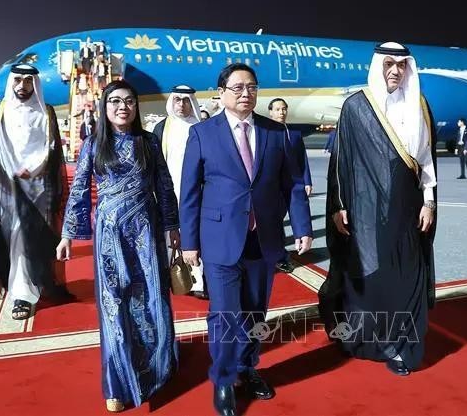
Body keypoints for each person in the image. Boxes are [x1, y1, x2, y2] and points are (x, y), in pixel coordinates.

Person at [179, 63, 313, 416]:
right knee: (225, 313)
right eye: (237, 87)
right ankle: (223, 379)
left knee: (255, 311)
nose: (245, 93)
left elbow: (293, 185)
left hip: (264, 239)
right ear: (221, 92)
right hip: (220, 238)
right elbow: (190, 192)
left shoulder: (276, 133)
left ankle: (246, 367)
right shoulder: (203, 133)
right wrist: (189, 242)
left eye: (251, 87)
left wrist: (302, 228)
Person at [56, 80, 180, 412]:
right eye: (115, 101)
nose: (122, 106)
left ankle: (157, 367)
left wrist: (172, 226)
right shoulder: (94, 145)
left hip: (147, 233)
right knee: (114, 305)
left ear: (137, 107)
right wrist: (69, 234)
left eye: (129, 101)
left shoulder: (149, 142)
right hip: (110, 238)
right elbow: (80, 190)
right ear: (104, 106)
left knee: (151, 296)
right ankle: (117, 383)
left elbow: (164, 187)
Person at [318, 42, 437, 377]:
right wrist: (339, 206)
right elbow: (342, 162)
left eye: (401, 65)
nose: (395, 71)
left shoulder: (420, 106)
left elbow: (426, 161)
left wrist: (429, 201)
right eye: (388, 64)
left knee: (407, 275)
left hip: (409, 208)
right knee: (371, 275)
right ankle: (368, 338)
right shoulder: (356, 106)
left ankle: (401, 347)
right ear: (377, 67)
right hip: (364, 210)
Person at [0, 64, 72, 321]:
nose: (22, 86)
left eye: (28, 81)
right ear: (11, 82)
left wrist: (34, 169)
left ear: (35, 84)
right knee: (12, 236)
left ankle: (29, 289)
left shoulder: (46, 111)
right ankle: (22, 289)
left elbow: (53, 150)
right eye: (18, 81)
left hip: (38, 185)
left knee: (29, 236)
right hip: (6, 186)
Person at [153, 85, 208, 299]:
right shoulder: (161, 128)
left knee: (197, 237)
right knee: (169, 237)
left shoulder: (203, 128)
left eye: (186, 101)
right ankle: (172, 278)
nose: (182, 105)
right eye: (177, 100)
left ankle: (198, 281)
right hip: (168, 193)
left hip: (198, 195)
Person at [267, 97, 313, 273]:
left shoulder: (294, 134)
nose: (281, 112)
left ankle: (279, 254)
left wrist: (306, 181)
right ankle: (278, 255)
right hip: (272, 188)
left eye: (284, 109)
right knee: (274, 222)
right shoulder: (265, 132)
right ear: (270, 112)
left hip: (292, 184)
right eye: (277, 109)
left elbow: (302, 160)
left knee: (281, 221)